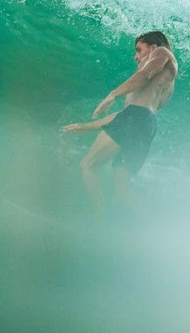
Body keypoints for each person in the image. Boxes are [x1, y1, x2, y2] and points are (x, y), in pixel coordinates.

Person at [62, 31, 178, 222]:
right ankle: (152, 230)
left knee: (88, 165)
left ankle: (98, 220)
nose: (136, 56)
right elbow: (127, 117)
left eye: (139, 50)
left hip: (136, 120)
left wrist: (112, 94)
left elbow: (142, 77)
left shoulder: (163, 52)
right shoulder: (163, 85)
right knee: (121, 192)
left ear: (153, 47)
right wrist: (85, 126)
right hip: (146, 127)